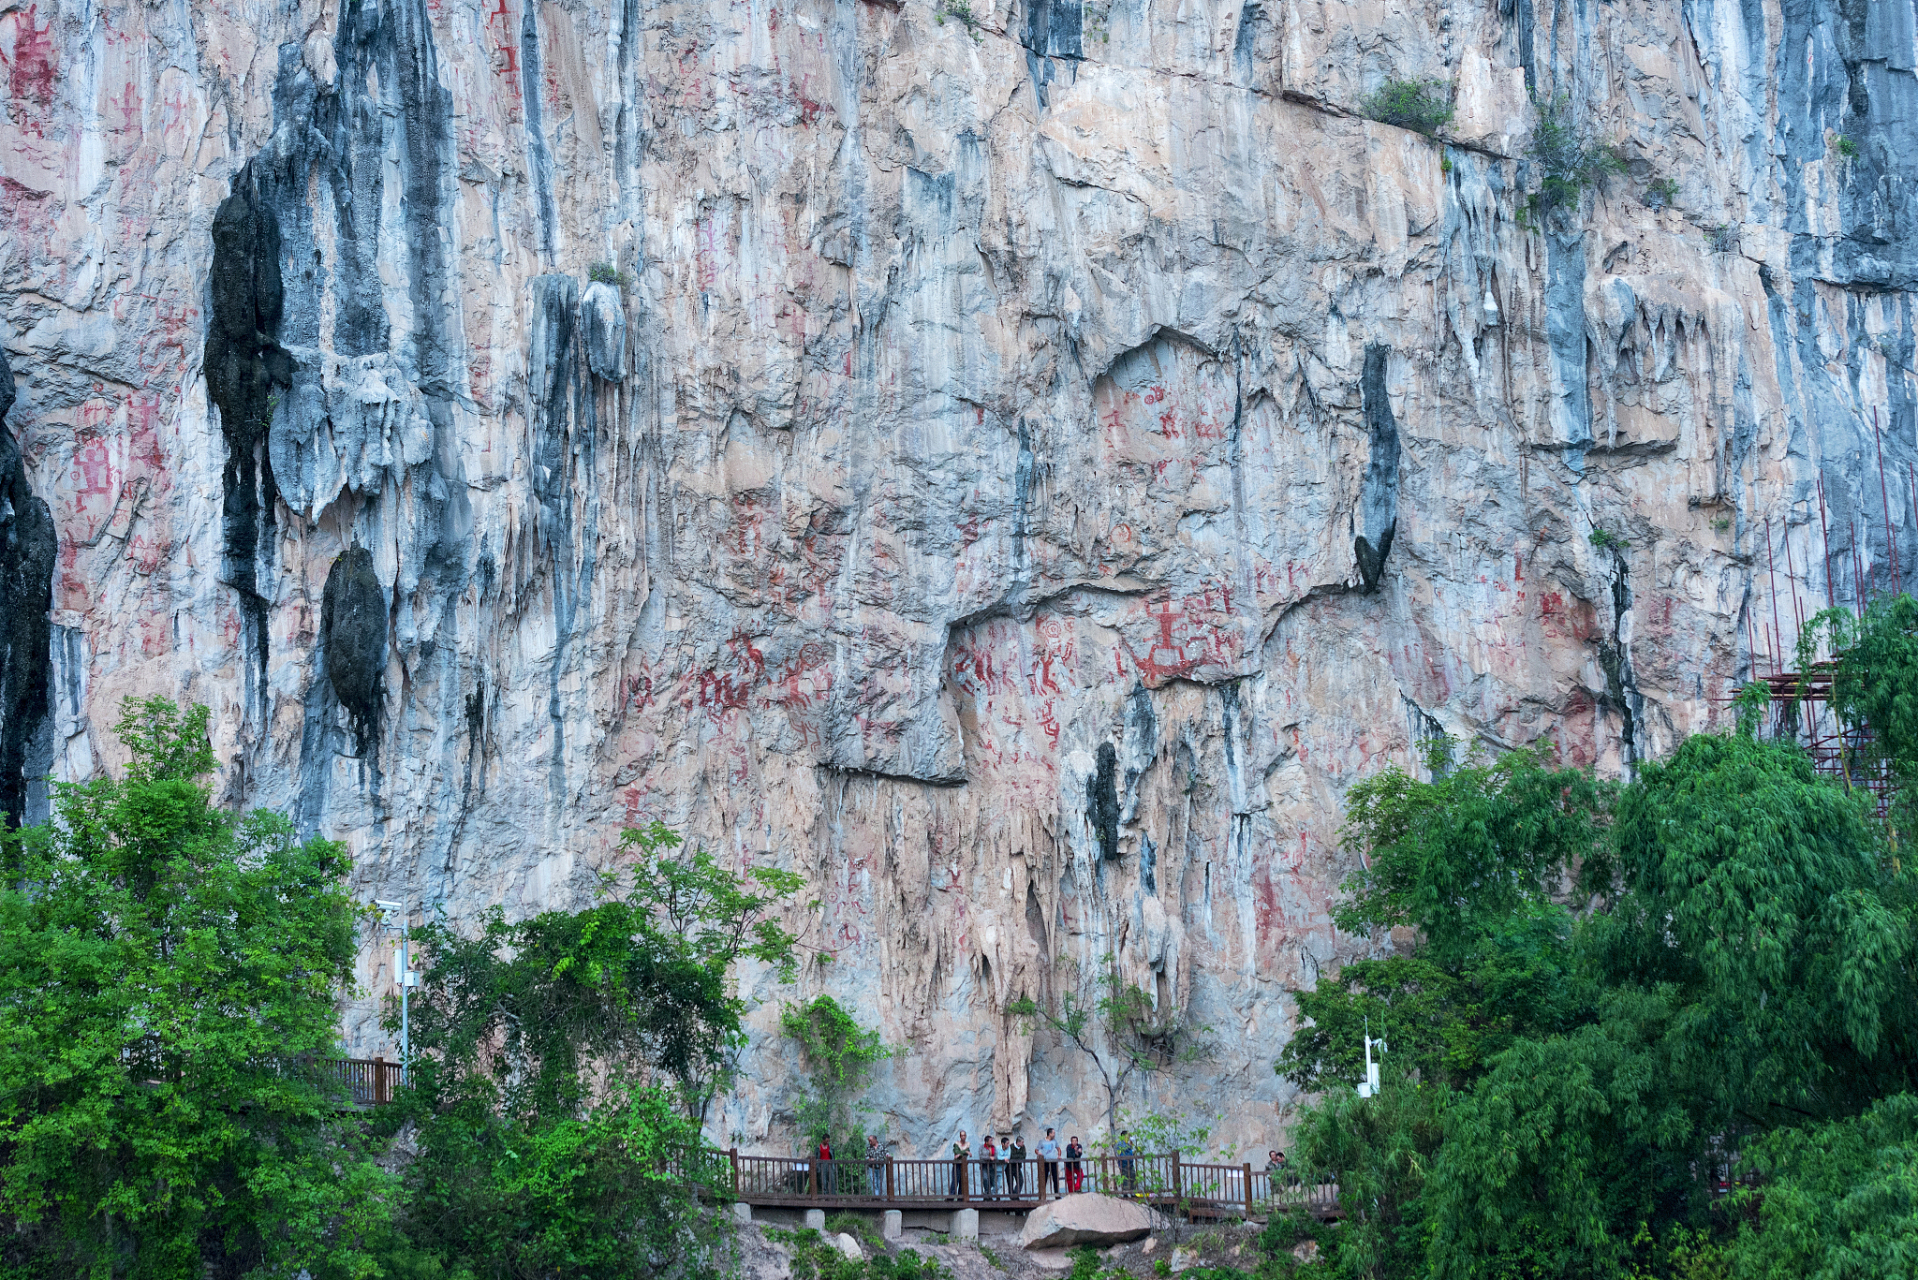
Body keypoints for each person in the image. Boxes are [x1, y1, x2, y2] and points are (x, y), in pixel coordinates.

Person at [1036, 1127, 1063, 1196]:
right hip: (1045, 1162)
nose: (1054, 1134)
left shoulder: (1054, 1141)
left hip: (1053, 1161)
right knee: (1044, 1178)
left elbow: (1058, 1149)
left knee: (1055, 1178)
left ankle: (1056, 1194)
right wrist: (1039, 1153)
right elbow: (1036, 1149)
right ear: (1049, 1134)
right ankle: (1042, 1194)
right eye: (1053, 1133)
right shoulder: (1042, 1141)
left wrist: (1059, 1155)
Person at [950, 1130, 971, 1199]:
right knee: (955, 1180)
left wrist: (961, 1153)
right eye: (962, 1135)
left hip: (963, 1165)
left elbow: (962, 1154)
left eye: (964, 1135)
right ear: (960, 1136)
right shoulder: (956, 1144)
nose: (963, 1137)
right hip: (957, 1164)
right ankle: (951, 1196)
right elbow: (956, 1151)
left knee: (962, 1181)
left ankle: (960, 1198)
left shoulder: (967, 1144)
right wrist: (965, 1152)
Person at [980, 1134, 1000, 1200]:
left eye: (992, 1141)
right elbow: (981, 1156)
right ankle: (987, 1192)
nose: (991, 1142)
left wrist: (993, 1158)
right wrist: (989, 1158)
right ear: (986, 1142)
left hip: (992, 1166)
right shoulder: (982, 1148)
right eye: (990, 1141)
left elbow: (996, 1156)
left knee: (993, 1180)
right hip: (984, 1165)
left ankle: (993, 1195)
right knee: (985, 1178)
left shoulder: (993, 1147)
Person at [1007, 1133, 1027, 1197]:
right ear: (1018, 1142)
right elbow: (1011, 1156)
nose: (1023, 1143)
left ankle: (1015, 1194)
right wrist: (1018, 1157)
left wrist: (1016, 1157)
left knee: (1020, 1180)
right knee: (1010, 1182)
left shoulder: (1023, 1147)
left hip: (1018, 1167)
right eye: (1022, 1142)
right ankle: (1011, 1196)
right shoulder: (1011, 1147)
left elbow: (1023, 1156)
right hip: (1009, 1167)